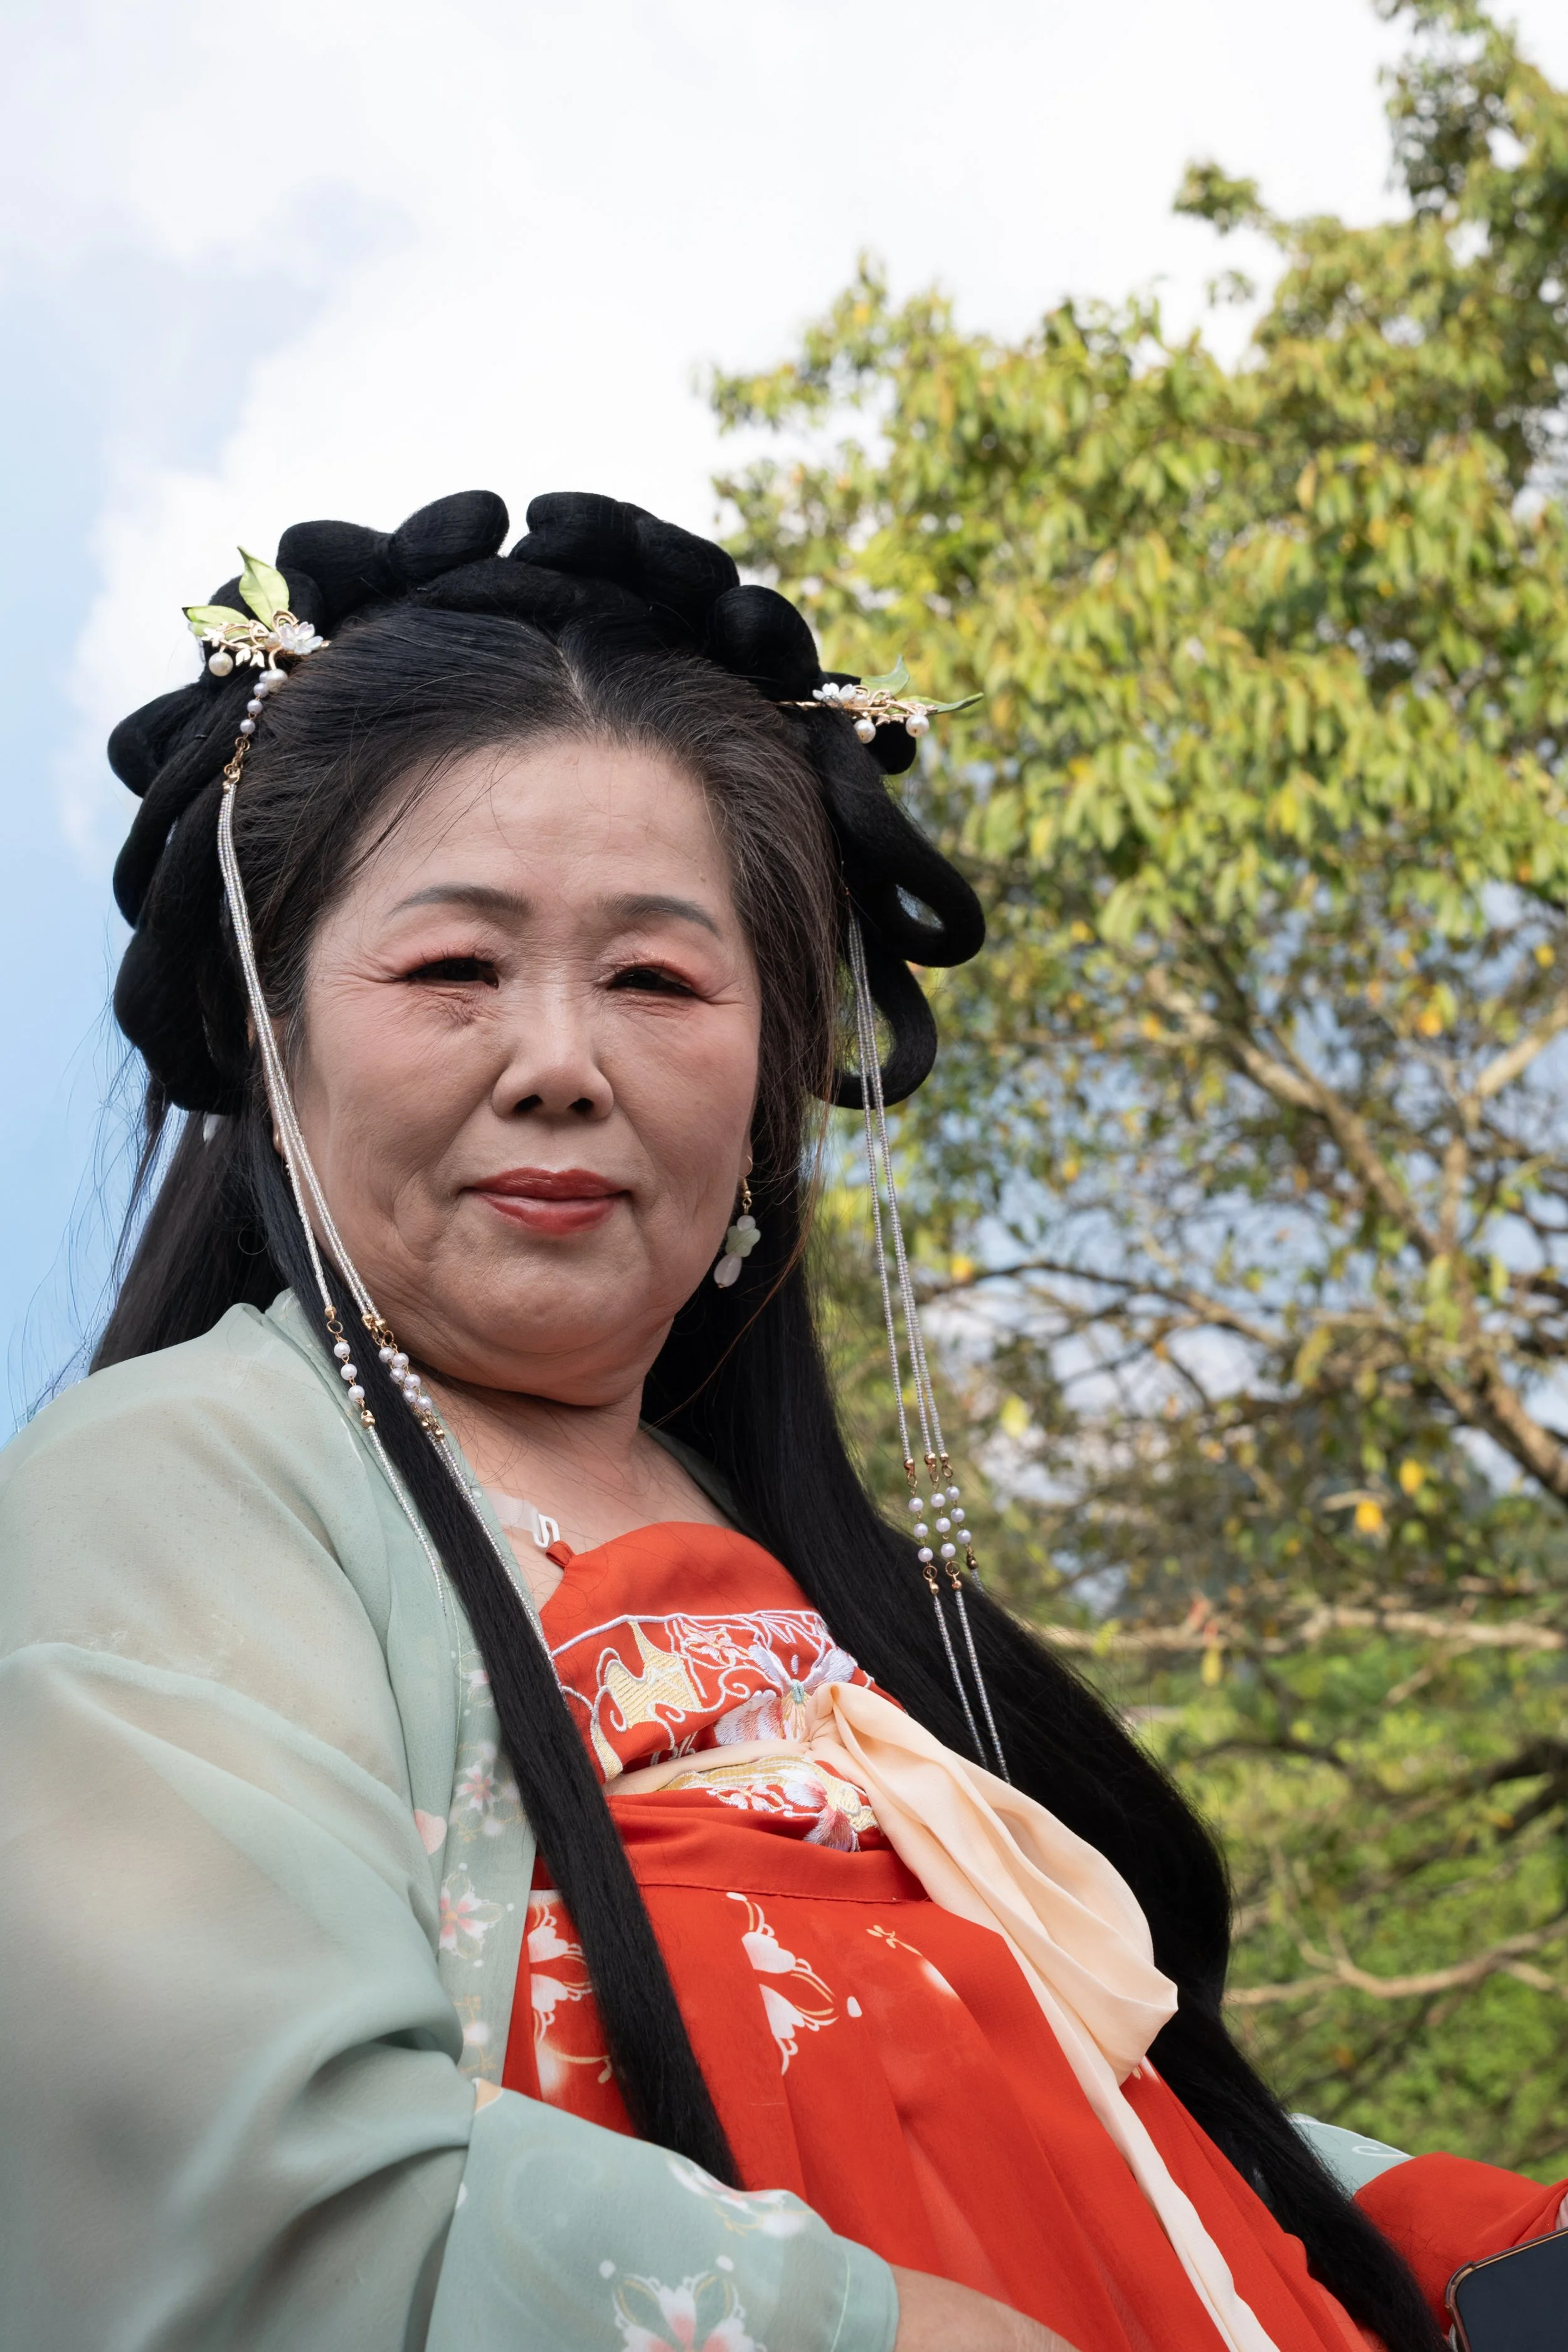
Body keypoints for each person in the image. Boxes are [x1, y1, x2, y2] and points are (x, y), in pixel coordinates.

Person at [0, 490, 1557, 2352]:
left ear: (772, 1068)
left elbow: (1076, 2112)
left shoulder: (817, 1578)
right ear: (272, 1029)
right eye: (454, 970)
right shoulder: (182, 1482)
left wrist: (1446, 2238)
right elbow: (250, 2189)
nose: (561, 1062)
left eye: (657, 979)